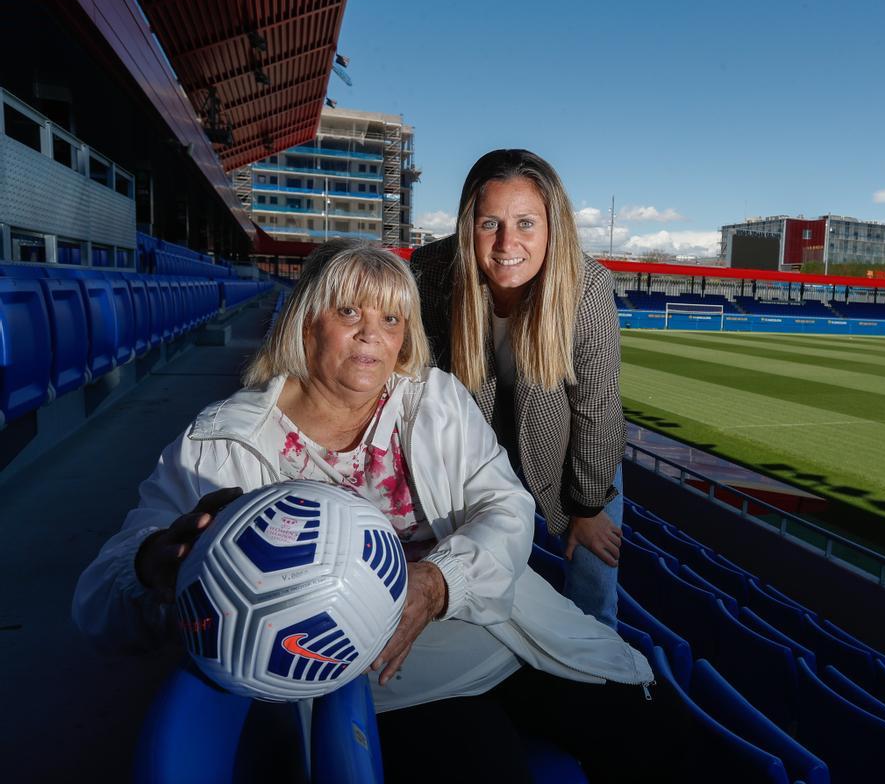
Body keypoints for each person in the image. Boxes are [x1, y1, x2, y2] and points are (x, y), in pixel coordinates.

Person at [72, 241, 658, 782]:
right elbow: (99, 601)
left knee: (649, 730)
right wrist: (158, 563)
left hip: (502, 625)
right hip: (381, 683)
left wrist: (437, 583)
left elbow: (507, 507)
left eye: (391, 319)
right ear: (306, 323)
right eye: (350, 312)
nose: (372, 335)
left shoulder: (435, 400)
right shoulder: (222, 443)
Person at [410, 149, 625, 628]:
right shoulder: (431, 272)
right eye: (490, 223)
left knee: (594, 594)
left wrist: (587, 507)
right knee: (485, 584)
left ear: (553, 226)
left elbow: (599, 407)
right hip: (474, 448)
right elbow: (415, 384)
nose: (508, 242)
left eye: (526, 223)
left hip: (574, 447)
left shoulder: (586, 288)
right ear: (469, 225)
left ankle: (597, 682)